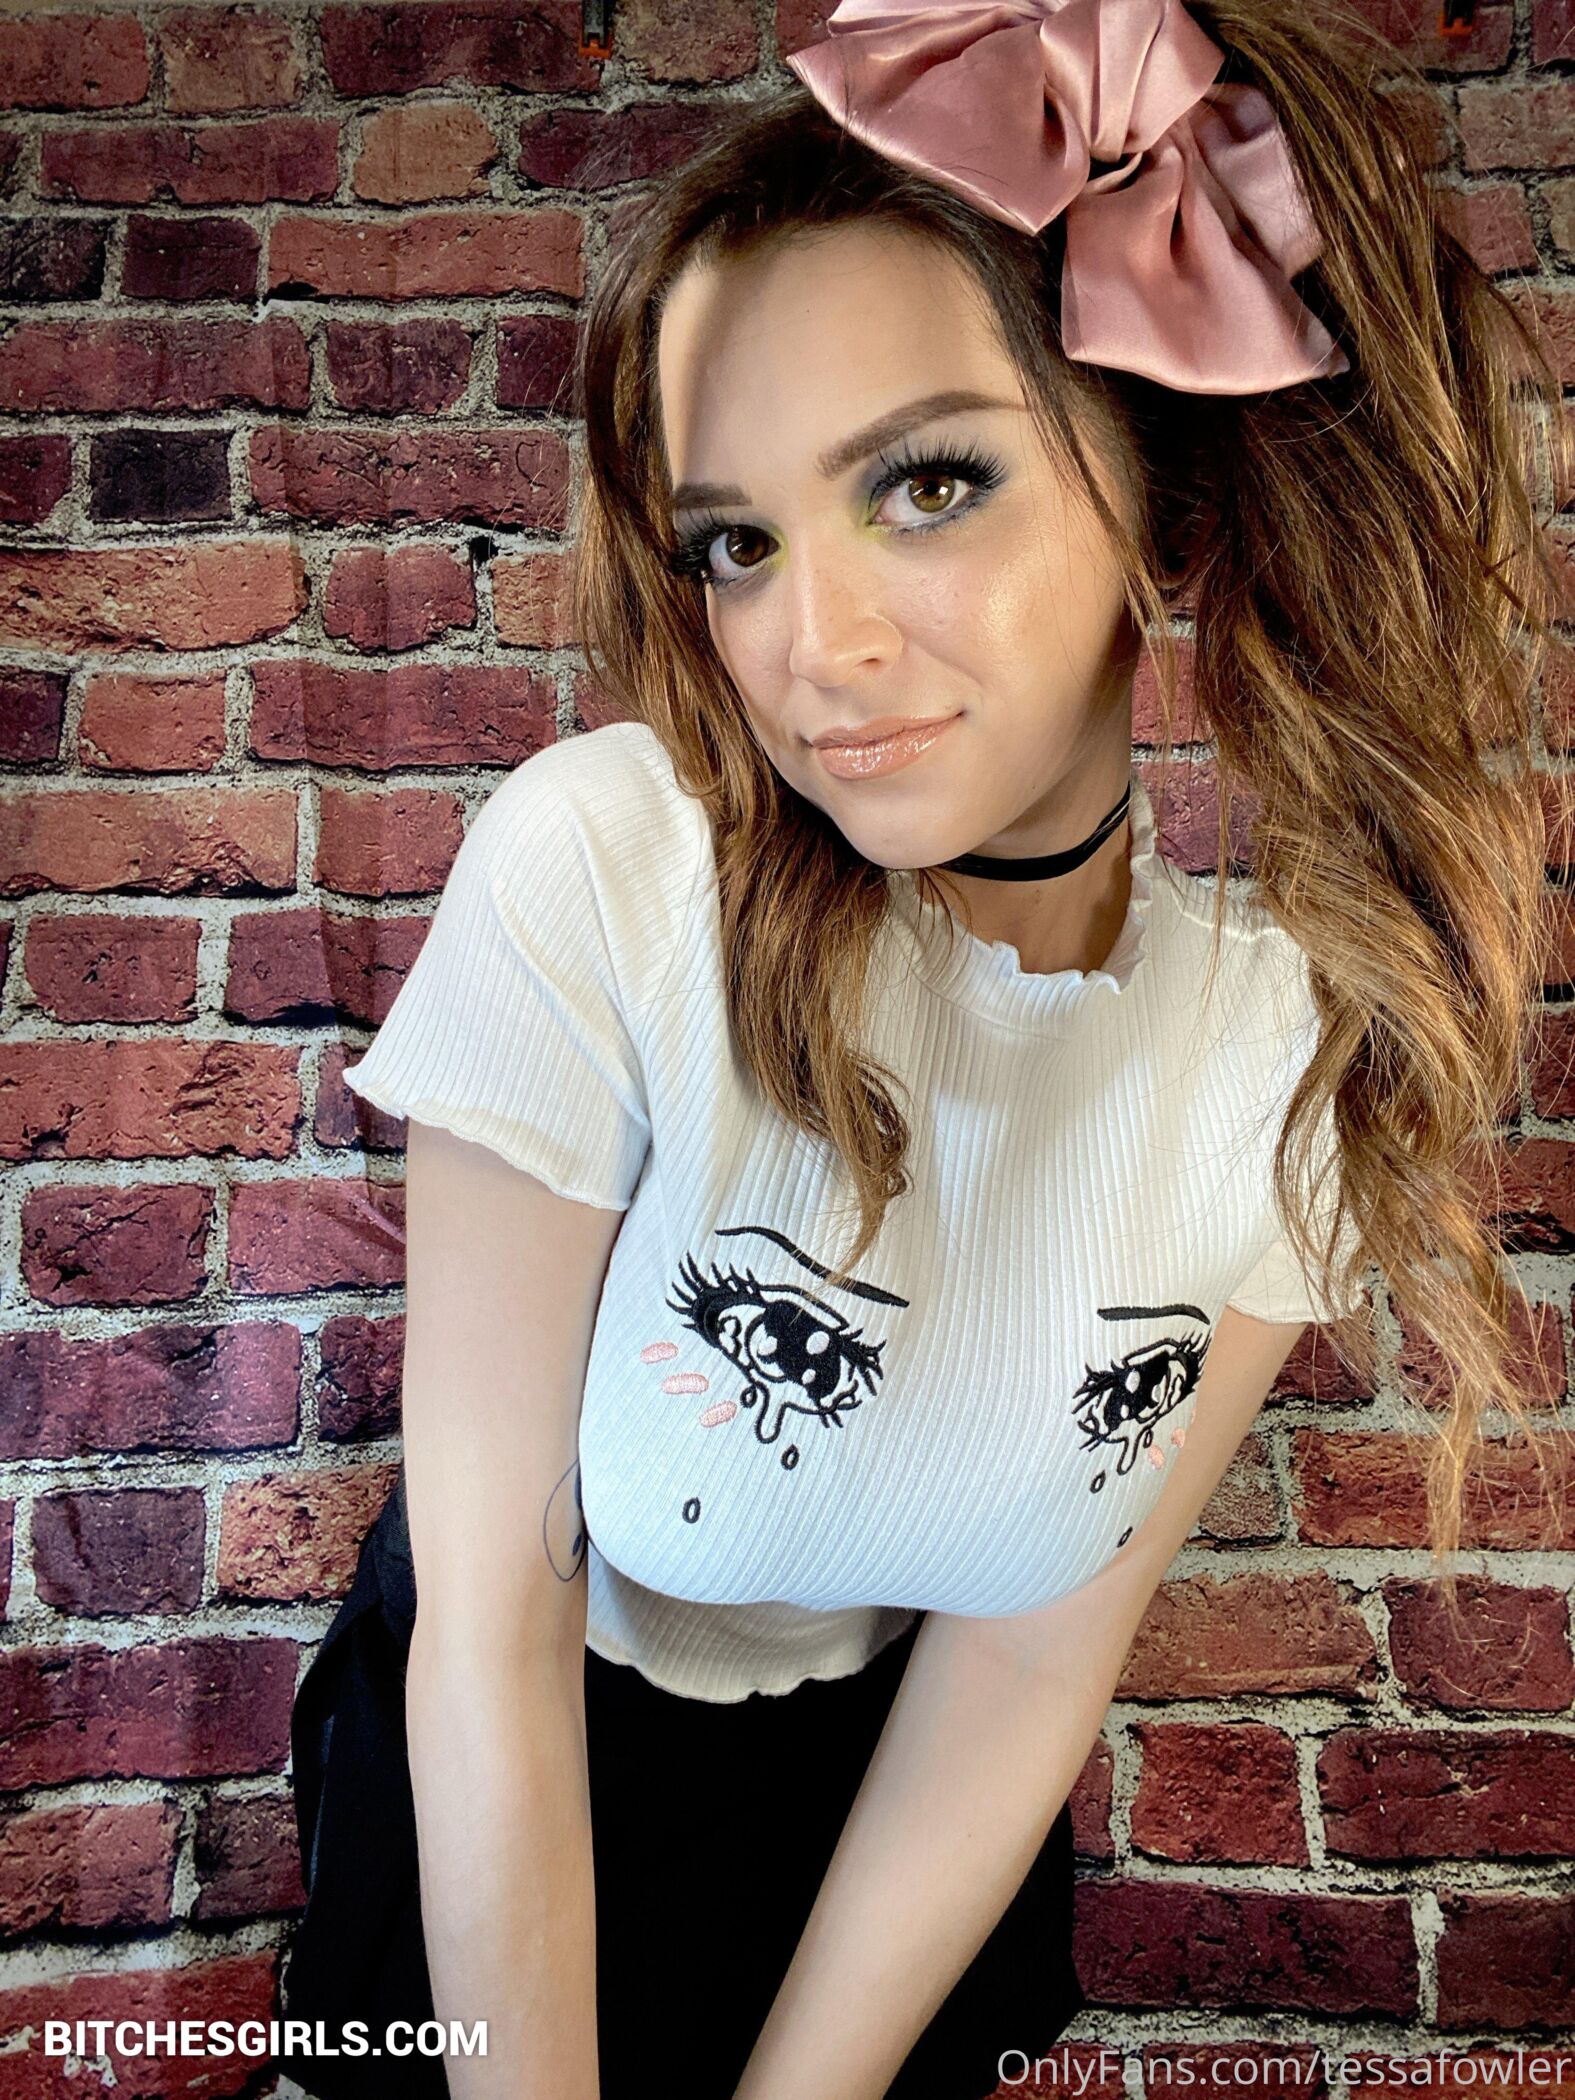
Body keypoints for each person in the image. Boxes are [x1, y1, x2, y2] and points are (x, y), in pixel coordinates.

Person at [288, 3, 1568, 2097]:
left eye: (928, 483)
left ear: (1162, 499)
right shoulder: (609, 872)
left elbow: (1029, 1667)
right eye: (737, 541)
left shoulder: (1278, 1054)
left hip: (904, 1834)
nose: (818, 646)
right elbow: (490, 1617)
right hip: (512, 1770)